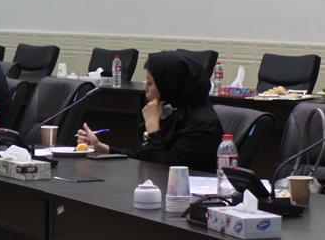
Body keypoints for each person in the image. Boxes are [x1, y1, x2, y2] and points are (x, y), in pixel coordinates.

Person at [77, 50, 222, 170]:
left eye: (150, 83)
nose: (145, 87)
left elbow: (169, 168)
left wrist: (153, 130)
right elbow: (145, 156)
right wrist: (102, 148)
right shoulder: (172, 111)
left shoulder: (202, 124)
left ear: (169, 85)